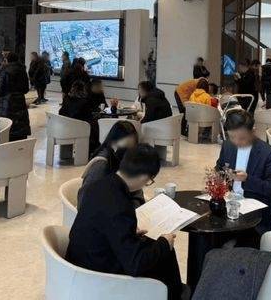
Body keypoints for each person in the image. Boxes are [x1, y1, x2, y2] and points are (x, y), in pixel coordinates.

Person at [67, 144, 184, 300]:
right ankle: (174, 295)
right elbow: (135, 264)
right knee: (165, 252)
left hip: (81, 260)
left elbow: (103, 224)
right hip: (97, 274)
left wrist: (127, 231)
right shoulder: (120, 205)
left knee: (153, 246)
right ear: (144, 177)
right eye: (149, 181)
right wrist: (164, 242)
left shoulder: (100, 184)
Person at [216, 110, 271, 235]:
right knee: (204, 234)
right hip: (229, 207)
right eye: (232, 137)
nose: (236, 142)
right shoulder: (228, 145)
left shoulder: (269, 154)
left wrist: (247, 179)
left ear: (253, 131)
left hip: (257, 214)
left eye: (242, 138)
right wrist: (221, 176)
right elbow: (219, 168)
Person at [77, 121, 142, 207]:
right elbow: (84, 202)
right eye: (126, 147)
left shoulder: (124, 160)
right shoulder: (101, 165)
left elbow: (135, 189)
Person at [0, 52, 30, 141]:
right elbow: (26, 89)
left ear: (7, 60)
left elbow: (0, 90)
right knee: (19, 129)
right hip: (20, 103)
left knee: (7, 128)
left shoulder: (5, 71)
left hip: (6, 104)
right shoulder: (22, 70)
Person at [60, 79, 98, 154]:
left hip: (65, 127)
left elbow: (61, 112)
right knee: (95, 126)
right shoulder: (84, 102)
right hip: (80, 128)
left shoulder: (66, 99)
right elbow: (88, 116)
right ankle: (92, 150)